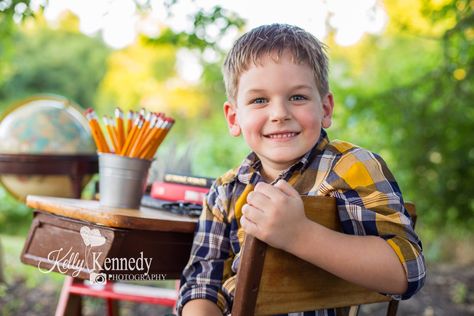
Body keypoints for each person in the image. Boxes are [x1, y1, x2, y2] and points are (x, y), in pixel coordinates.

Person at [177, 23, 426, 316]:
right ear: (234, 118)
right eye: (259, 100)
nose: (280, 113)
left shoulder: (350, 168)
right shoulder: (224, 192)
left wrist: (300, 235)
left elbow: (409, 270)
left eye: (297, 97)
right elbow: (201, 286)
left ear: (326, 108)